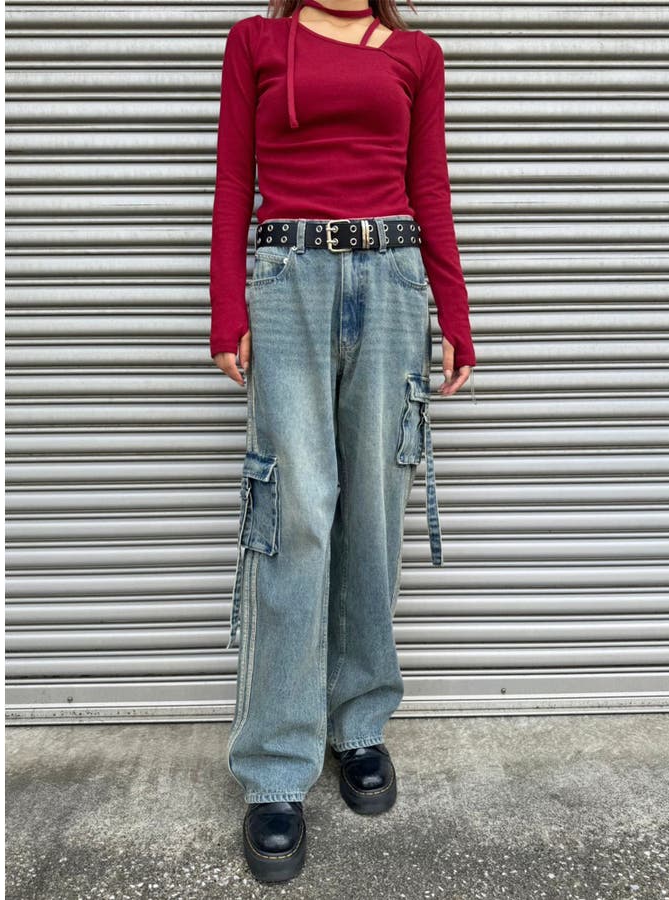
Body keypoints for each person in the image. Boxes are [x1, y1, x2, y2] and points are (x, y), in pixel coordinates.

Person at [209, 0, 476, 882]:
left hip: (393, 278)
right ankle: (275, 765)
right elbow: (233, 180)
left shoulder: (416, 53)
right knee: (294, 517)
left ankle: (358, 722)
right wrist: (227, 308)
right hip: (287, 278)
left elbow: (429, 187)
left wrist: (454, 312)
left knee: (373, 512)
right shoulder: (256, 40)